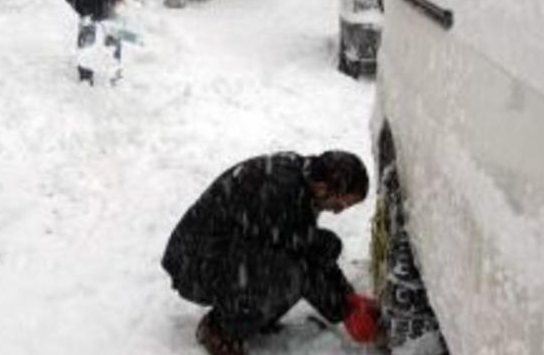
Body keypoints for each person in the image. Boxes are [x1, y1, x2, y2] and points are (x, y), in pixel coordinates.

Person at [161, 150, 380, 355]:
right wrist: (344, 310)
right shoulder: (280, 191)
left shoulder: (301, 183)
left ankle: (249, 319)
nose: (339, 210)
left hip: (219, 255)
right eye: (342, 202)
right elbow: (299, 258)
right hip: (195, 267)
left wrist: (347, 299)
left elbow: (306, 252)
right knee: (288, 274)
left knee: (303, 256)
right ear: (324, 188)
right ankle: (219, 329)